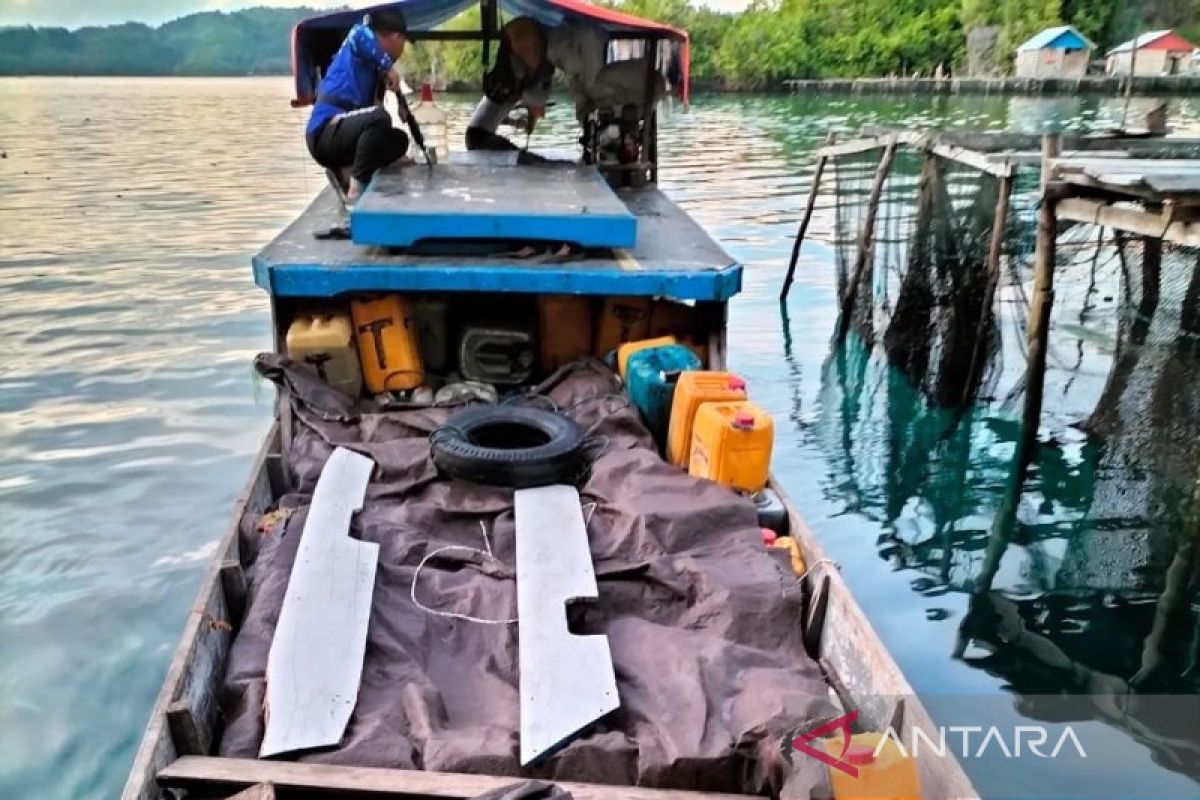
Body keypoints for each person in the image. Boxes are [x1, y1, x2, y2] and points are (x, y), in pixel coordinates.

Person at [305, 10, 410, 202]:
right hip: (325, 133)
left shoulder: (373, 67)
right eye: (403, 42)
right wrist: (388, 66)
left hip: (348, 133)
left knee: (399, 139)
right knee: (379, 117)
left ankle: (348, 170)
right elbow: (358, 34)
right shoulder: (359, 41)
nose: (402, 50)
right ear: (396, 37)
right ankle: (355, 189)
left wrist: (401, 104)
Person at [465, 17, 606, 153]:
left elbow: (500, 115)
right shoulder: (514, 88)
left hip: (474, 135)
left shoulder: (506, 90)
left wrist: (519, 122)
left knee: (524, 159)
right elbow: (536, 106)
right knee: (528, 161)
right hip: (479, 137)